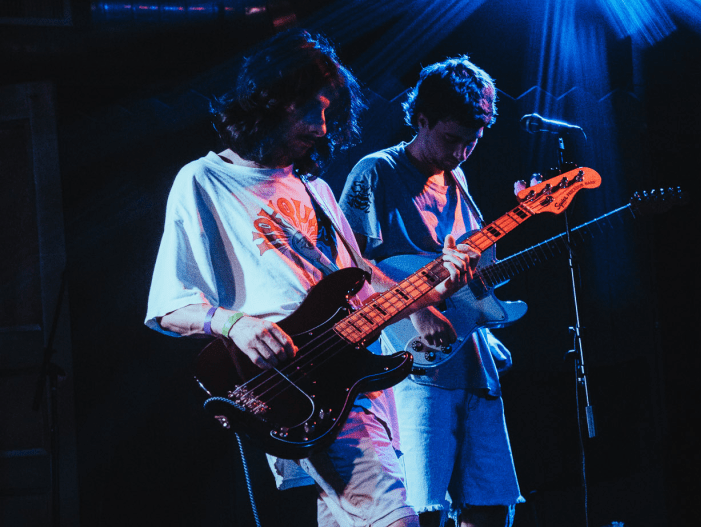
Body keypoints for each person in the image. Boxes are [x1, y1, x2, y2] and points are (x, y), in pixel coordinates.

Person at [144, 30, 479, 527]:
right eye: (309, 109)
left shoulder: (316, 190)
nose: (321, 127)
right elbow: (169, 306)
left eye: (328, 112)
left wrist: (435, 287)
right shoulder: (203, 180)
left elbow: (365, 289)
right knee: (397, 519)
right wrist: (236, 324)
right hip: (293, 384)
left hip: (357, 389)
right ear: (269, 99)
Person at [338, 57, 523, 527]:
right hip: (409, 359)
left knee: (492, 503)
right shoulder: (376, 172)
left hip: (469, 357)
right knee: (423, 508)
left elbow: (484, 272)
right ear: (421, 119)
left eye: (472, 141)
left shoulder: (458, 181)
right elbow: (349, 265)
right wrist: (417, 309)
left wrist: (526, 212)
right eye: (451, 138)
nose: (461, 152)